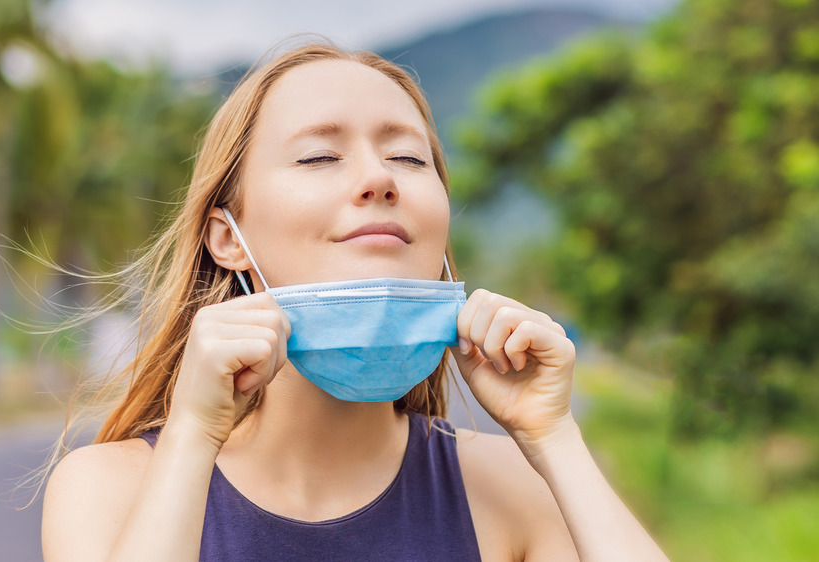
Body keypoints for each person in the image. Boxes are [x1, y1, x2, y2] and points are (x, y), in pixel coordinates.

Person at [41, 43, 668, 561]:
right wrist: (192, 436)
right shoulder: (107, 489)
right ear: (229, 237)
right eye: (320, 155)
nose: (380, 178)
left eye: (407, 156)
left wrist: (553, 437)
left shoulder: (512, 488)